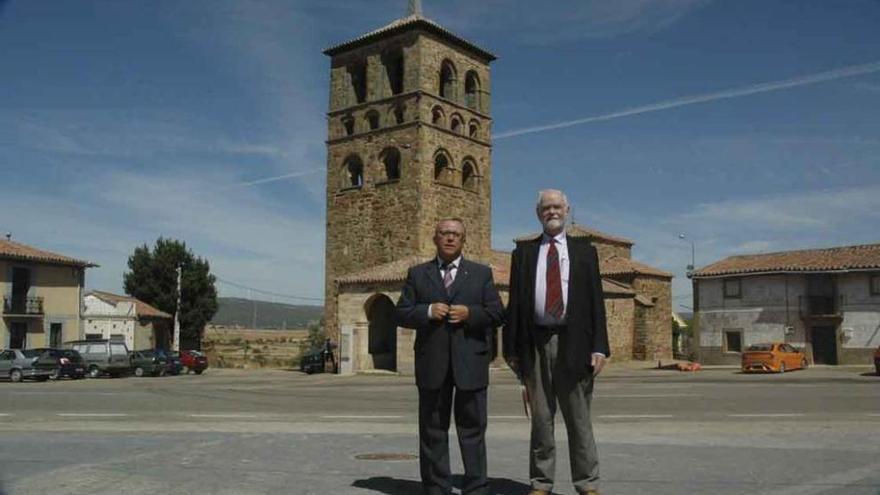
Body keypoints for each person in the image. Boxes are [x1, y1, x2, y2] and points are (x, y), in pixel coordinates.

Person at [503, 190, 610, 495]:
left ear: (567, 210)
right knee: (540, 419)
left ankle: (587, 484)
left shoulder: (585, 252)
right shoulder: (522, 254)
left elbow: (595, 303)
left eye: (557, 206)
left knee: (579, 420)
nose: (552, 211)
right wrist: (511, 349)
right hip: (535, 343)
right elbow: (516, 305)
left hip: (574, 343)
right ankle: (541, 483)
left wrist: (600, 346)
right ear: (538, 213)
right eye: (546, 207)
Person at [396, 218, 504, 495]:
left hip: (471, 364)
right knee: (433, 431)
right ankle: (436, 488)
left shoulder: (481, 274)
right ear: (435, 238)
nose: (450, 238)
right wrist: (428, 311)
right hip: (432, 364)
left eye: (455, 234)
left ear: (463, 240)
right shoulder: (418, 274)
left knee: (473, 431)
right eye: (444, 233)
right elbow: (402, 313)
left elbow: (497, 314)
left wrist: (471, 314)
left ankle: (477, 487)